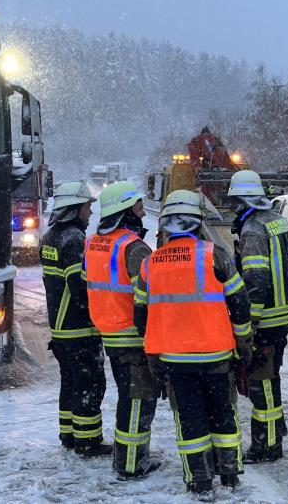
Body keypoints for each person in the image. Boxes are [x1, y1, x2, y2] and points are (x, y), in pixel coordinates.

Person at [134, 190, 254, 500]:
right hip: (216, 355)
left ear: (165, 225)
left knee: (190, 420)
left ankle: (199, 481)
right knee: (223, 414)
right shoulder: (215, 255)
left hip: (174, 359)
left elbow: (140, 315)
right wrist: (243, 343)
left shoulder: (150, 263)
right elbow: (240, 304)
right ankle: (229, 475)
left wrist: (153, 352)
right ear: (197, 222)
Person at [85, 180, 160, 479]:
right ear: (125, 211)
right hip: (134, 337)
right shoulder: (134, 247)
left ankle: (127, 456)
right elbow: (151, 295)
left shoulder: (94, 243)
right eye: (139, 208)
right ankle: (130, 463)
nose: (143, 215)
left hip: (111, 334)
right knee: (138, 399)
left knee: (128, 396)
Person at [226, 170, 288, 463]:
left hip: (264, 322)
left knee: (262, 385)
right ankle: (274, 432)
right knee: (272, 380)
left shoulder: (253, 229)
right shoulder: (277, 221)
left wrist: (248, 324)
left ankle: (266, 446)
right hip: (281, 318)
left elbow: (256, 279)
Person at [40, 181, 112, 458]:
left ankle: (68, 434)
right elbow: (79, 287)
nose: (90, 213)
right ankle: (88, 441)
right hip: (78, 328)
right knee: (90, 384)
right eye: (87, 206)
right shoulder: (73, 240)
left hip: (60, 329)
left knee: (69, 383)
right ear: (73, 209)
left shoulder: (50, 236)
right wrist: (99, 312)